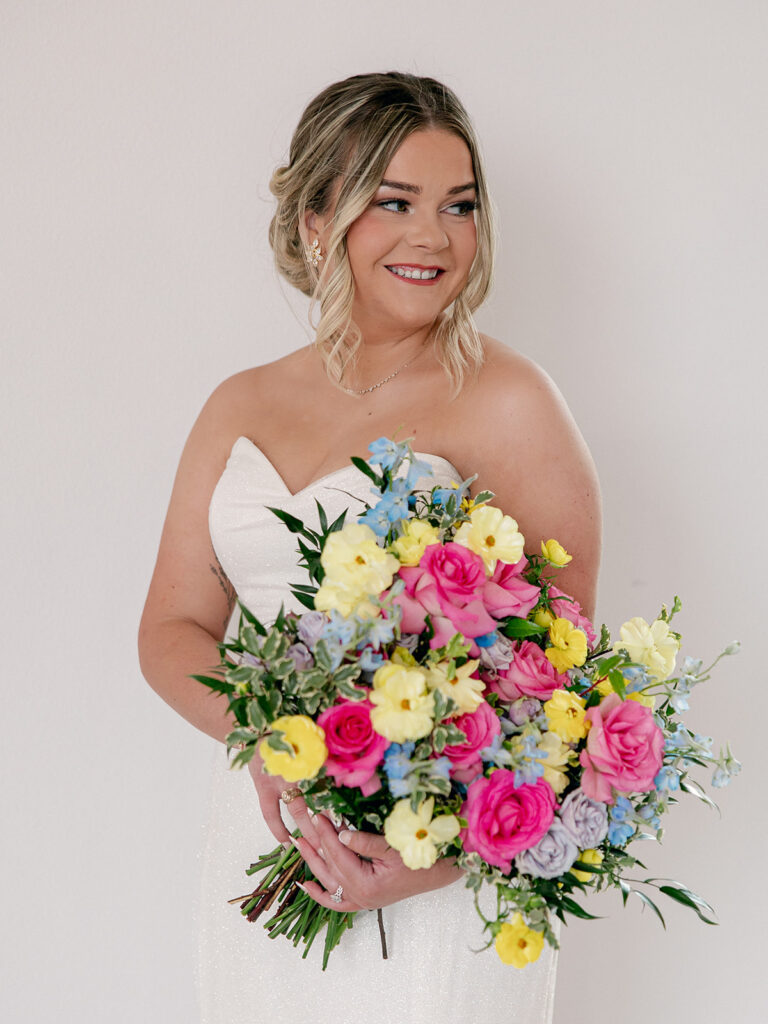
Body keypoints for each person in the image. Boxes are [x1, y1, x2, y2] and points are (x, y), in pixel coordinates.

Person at [139, 71, 601, 1024]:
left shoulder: (513, 401)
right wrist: (269, 741)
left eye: (458, 206)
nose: (434, 236)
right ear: (318, 220)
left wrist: (422, 864)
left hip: (430, 866)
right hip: (266, 836)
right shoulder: (239, 402)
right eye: (395, 202)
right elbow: (173, 624)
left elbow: (567, 682)